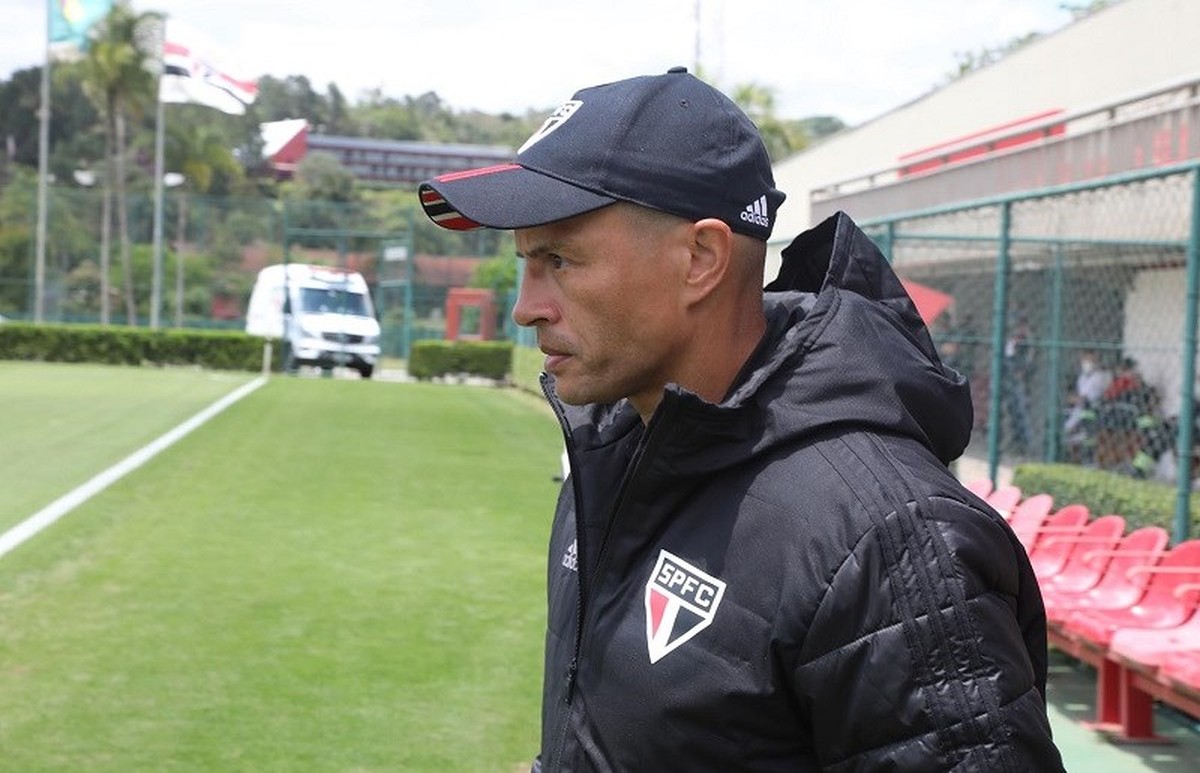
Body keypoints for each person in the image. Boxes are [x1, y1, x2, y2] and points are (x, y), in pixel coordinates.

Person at [419, 68, 1063, 771]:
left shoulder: (888, 537)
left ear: (701, 258)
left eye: (560, 260)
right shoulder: (621, 448)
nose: (527, 305)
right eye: (525, 263)